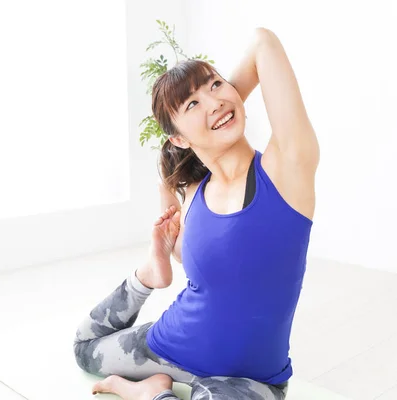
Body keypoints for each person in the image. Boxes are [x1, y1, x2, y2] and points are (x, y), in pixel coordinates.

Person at [73, 27, 319, 400]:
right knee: (84, 348)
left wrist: (212, 107)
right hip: (172, 345)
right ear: (177, 139)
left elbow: (263, 42)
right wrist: (158, 262)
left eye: (216, 85)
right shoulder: (195, 193)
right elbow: (208, 264)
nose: (214, 101)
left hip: (250, 377)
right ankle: (147, 281)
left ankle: (148, 393)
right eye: (192, 104)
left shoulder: (286, 166)